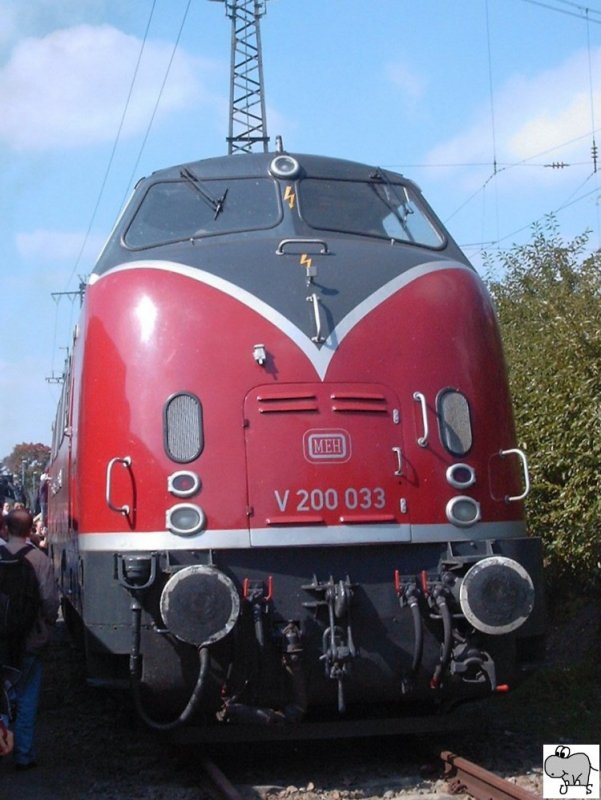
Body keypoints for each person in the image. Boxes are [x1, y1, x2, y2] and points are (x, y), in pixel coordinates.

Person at [1, 509, 59, 769]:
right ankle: (23, 754)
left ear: (6, 527)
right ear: (29, 531)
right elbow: (49, 601)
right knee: (26, 697)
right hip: (28, 639)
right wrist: (45, 627)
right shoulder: (39, 559)